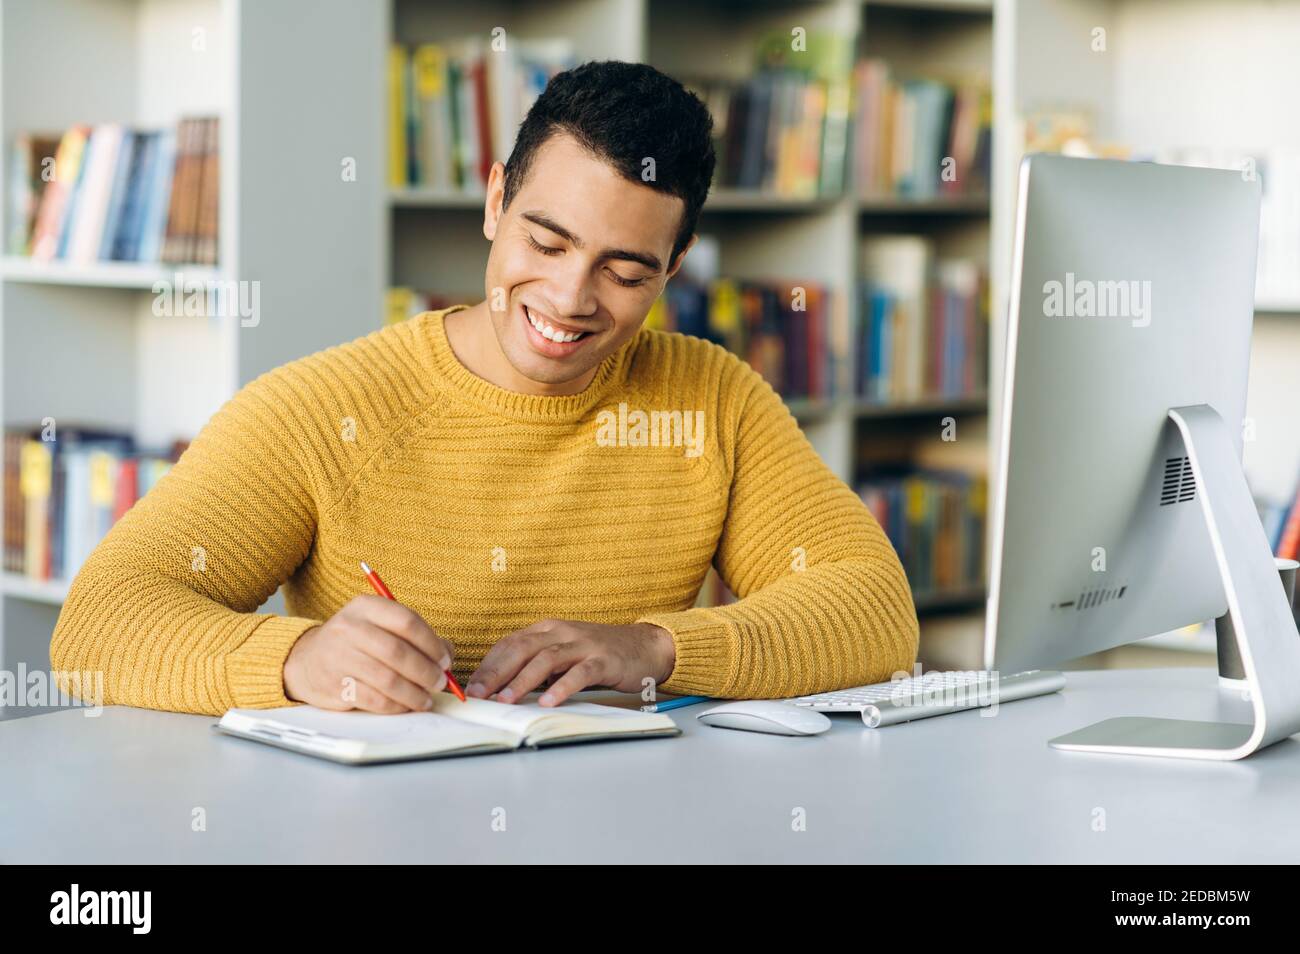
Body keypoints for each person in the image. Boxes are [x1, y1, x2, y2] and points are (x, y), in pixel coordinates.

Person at [51, 61, 918, 716]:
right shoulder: (322, 409)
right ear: (496, 200)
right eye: (546, 243)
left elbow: (876, 611)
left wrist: (655, 647)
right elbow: (97, 625)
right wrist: (296, 658)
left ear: (674, 268)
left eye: (623, 272)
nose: (571, 300)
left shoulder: (711, 399)